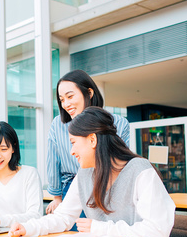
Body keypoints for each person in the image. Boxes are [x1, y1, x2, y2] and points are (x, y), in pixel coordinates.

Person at [8, 107, 175, 237]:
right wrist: (28, 228)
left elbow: (157, 230)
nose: (72, 152)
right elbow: (64, 217)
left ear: (92, 140)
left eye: (73, 143)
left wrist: (99, 229)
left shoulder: (140, 171)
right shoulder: (85, 173)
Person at [46, 70, 130, 215]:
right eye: (62, 100)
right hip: (72, 188)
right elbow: (53, 161)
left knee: (105, 234)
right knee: (72, 235)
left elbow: (122, 162)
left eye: (70, 96)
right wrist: (57, 198)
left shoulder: (118, 123)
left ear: (89, 93)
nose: (66, 104)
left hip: (108, 188)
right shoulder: (58, 124)